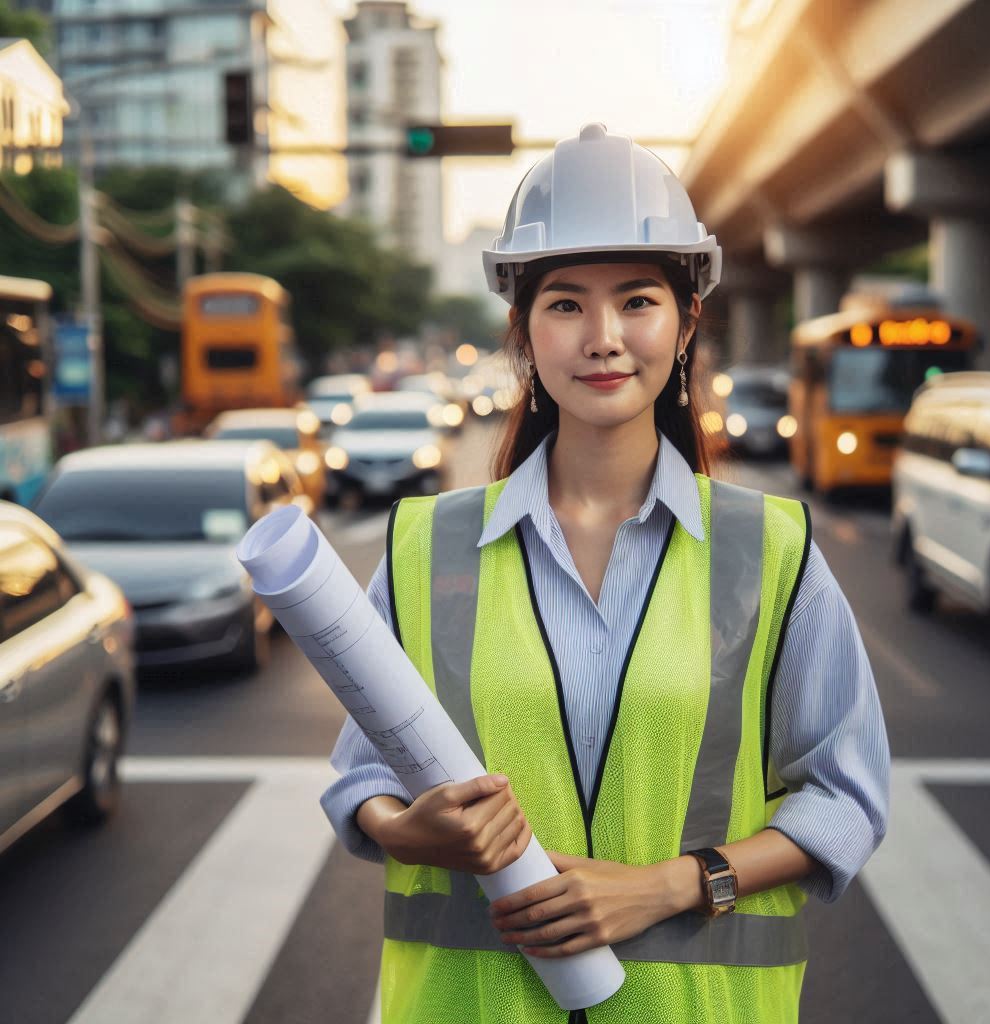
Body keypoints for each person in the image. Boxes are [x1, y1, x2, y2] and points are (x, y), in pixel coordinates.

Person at [321, 123, 890, 1024]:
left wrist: (673, 886)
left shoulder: (770, 549)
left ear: (686, 318)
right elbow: (361, 781)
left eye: (636, 301)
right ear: (523, 328)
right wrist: (403, 829)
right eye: (564, 305)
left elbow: (847, 796)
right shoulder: (424, 548)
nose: (602, 338)